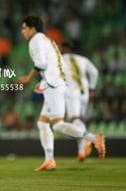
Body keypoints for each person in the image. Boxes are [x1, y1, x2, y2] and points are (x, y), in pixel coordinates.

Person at [18, 16, 105, 171]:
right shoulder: (48, 40)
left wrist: (29, 78)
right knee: (43, 123)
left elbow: (41, 64)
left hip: (54, 87)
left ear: (33, 29)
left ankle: (93, 138)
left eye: (24, 28)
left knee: (57, 125)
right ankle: (49, 159)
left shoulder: (35, 41)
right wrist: (45, 81)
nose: (22, 31)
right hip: (55, 84)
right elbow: (58, 64)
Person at [61, 41, 99, 162]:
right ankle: (81, 151)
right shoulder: (82, 59)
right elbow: (94, 72)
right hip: (85, 92)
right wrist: (92, 88)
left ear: (65, 48)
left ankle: (88, 137)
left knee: (74, 120)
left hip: (72, 92)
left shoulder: (61, 59)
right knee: (78, 121)